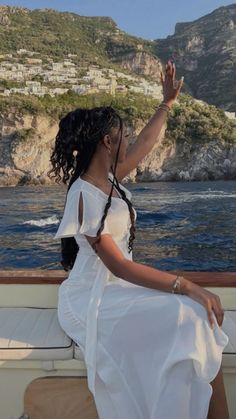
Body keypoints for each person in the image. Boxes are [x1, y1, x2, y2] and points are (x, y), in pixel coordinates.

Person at [47, 60, 230, 419]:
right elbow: (118, 266)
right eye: (123, 134)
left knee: (197, 318)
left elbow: (148, 141)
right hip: (92, 297)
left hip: (118, 288)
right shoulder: (83, 194)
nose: (129, 139)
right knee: (190, 315)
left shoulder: (112, 179)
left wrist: (167, 103)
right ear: (107, 141)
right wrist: (187, 285)